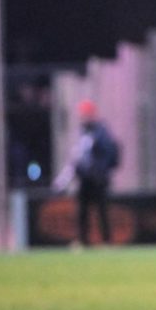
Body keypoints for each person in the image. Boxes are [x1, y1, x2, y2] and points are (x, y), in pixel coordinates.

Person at [53, 99, 120, 247]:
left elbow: (107, 153)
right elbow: (79, 156)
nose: (82, 117)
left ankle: (106, 240)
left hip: (98, 178)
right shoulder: (83, 132)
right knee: (82, 210)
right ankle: (82, 240)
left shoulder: (101, 132)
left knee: (102, 210)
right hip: (85, 177)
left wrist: (100, 171)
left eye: (85, 114)